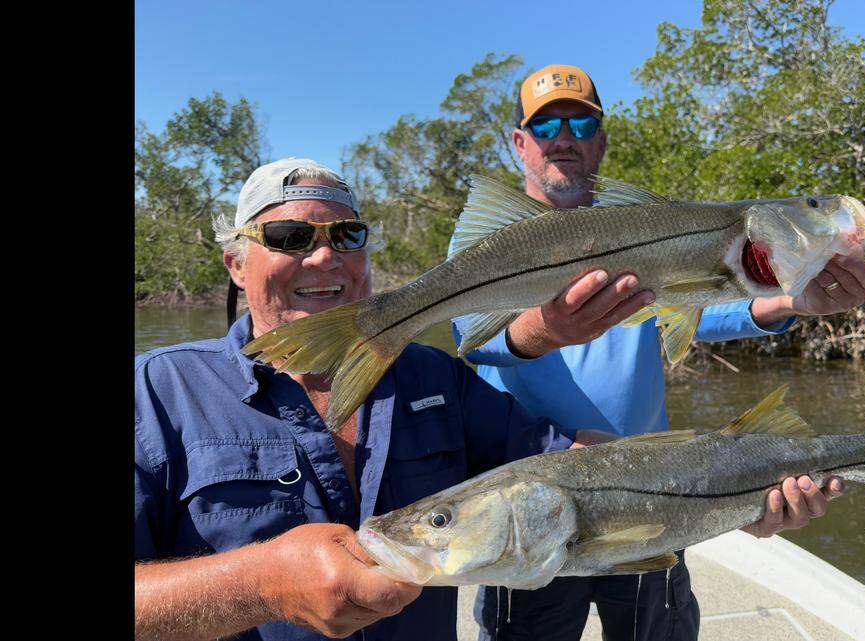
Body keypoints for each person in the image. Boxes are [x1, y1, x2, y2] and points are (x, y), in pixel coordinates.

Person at [450, 64, 865, 641]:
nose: (564, 137)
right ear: (520, 142)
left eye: (580, 123)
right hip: (535, 501)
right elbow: (473, 342)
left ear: (600, 139)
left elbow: (695, 306)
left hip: (657, 489)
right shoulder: (486, 242)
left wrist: (791, 303)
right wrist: (547, 330)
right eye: (546, 126)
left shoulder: (652, 230)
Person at [134, 158, 612, 641]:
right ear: (236, 264)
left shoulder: (431, 375)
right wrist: (262, 586)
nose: (324, 257)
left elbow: (561, 461)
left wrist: (678, 478)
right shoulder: (159, 390)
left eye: (346, 236)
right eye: (287, 236)